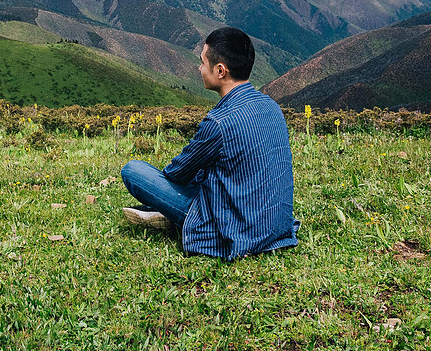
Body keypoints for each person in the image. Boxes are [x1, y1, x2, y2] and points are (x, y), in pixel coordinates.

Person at [120, 27, 299, 260]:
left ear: (220, 70)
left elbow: (178, 173)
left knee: (133, 171)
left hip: (237, 229)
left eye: (202, 62)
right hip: (275, 224)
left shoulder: (219, 122)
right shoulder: (272, 107)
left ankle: (171, 216)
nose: (199, 69)